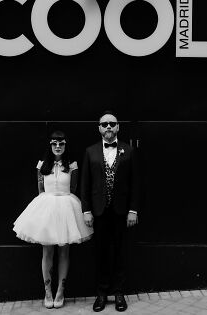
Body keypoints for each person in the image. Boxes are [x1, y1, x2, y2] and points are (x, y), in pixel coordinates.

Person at [13, 131, 93, 309]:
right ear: (50, 145)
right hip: (47, 208)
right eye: (54, 143)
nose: (58, 146)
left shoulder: (72, 165)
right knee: (47, 251)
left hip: (66, 207)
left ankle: (60, 291)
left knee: (64, 251)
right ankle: (47, 291)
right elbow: (40, 188)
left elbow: (73, 188)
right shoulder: (42, 165)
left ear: (65, 145)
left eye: (61, 143)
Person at [81, 111, 140, 312]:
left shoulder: (129, 151)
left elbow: (135, 184)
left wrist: (133, 209)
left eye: (112, 124)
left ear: (117, 127)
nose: (108, 127)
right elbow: (85, 184)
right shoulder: (90, 152)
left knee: (120, 253)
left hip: (121, 212)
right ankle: (101, 294)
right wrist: (86, 210)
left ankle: (119, 293)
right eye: (104, 124)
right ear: (99, 128)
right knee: (101, 254)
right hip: (98, 212)